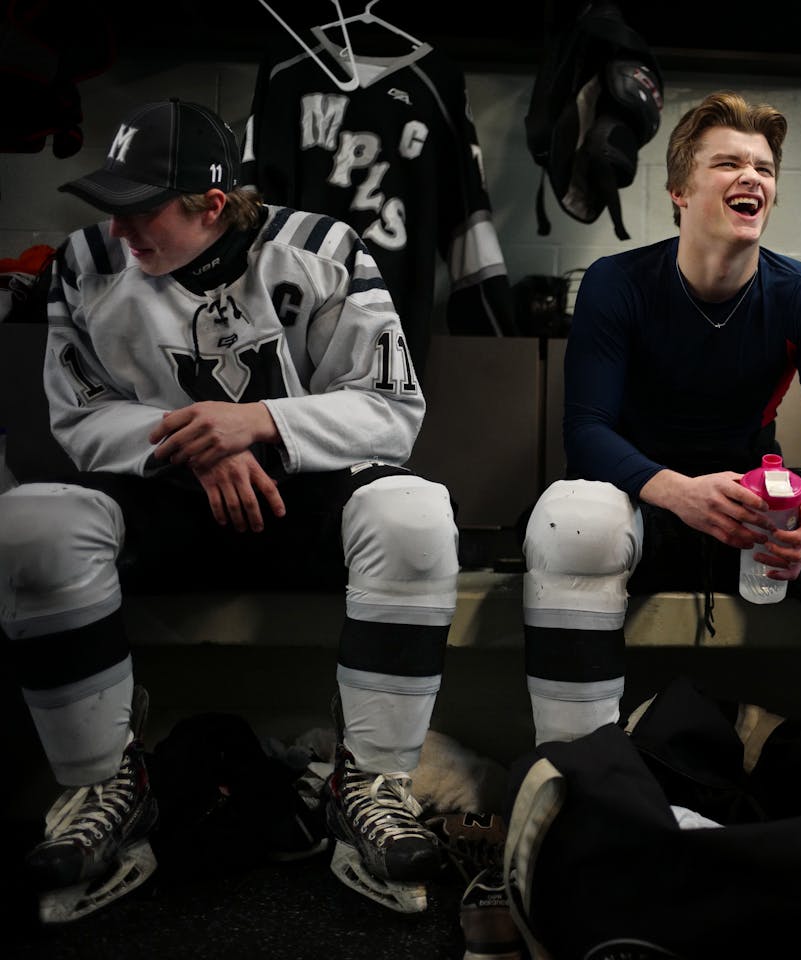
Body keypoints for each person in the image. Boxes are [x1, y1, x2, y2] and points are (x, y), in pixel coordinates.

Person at [0, 99, 460, 921]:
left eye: (144, 211)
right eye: (113, 206)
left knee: (416, 512)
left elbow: (393, 410)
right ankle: (105, 787)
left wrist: (257, 423)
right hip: (163, 507)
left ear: (213, 206)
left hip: (299, 507)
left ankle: (372, 783)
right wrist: (202, 444)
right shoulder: (83, 263)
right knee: (29, 522)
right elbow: (76, 420)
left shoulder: (321, 251)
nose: (122, 230)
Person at [521, 91, 801, 749]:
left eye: (764, 168)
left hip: (751, 527)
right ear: (681, 190)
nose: (752, 177)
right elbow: (587, 431)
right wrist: (678, 491)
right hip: (641, 514)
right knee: (572, 515)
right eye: (727, 163)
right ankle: (579, 781)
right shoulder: (617, 282)